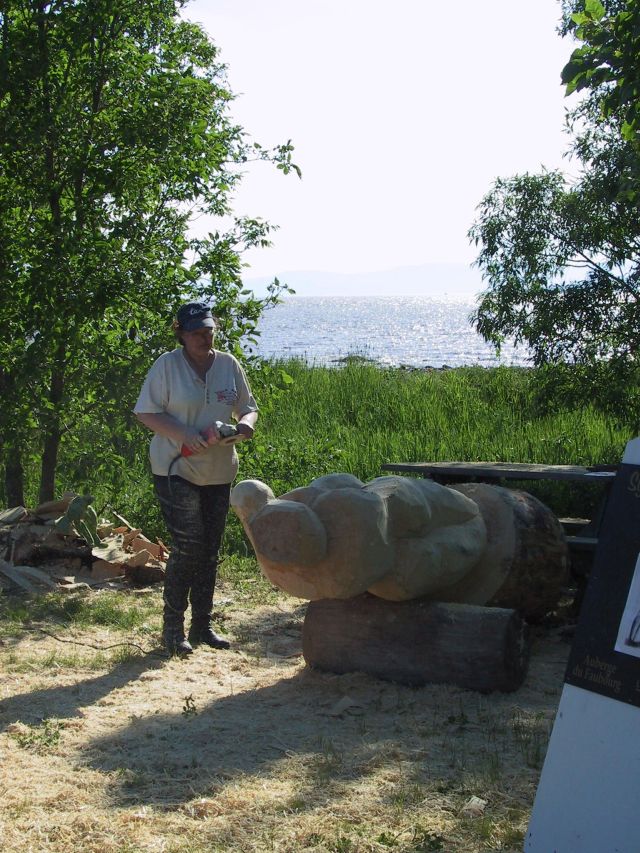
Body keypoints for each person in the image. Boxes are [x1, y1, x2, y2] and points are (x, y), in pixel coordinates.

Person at [134, 302, 258, 656]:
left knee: (209, 550)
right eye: (196, 332)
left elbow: (247, 406)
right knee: (189, 546)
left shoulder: (228, 364)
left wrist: (245, 425)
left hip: (219, 470)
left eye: (209, 331)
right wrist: (185, 434)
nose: (204, 337)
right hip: (175, 468)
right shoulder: (167, 366)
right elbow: (145, 411)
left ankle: (202, 626)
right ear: (181, 334)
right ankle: (172, 629)